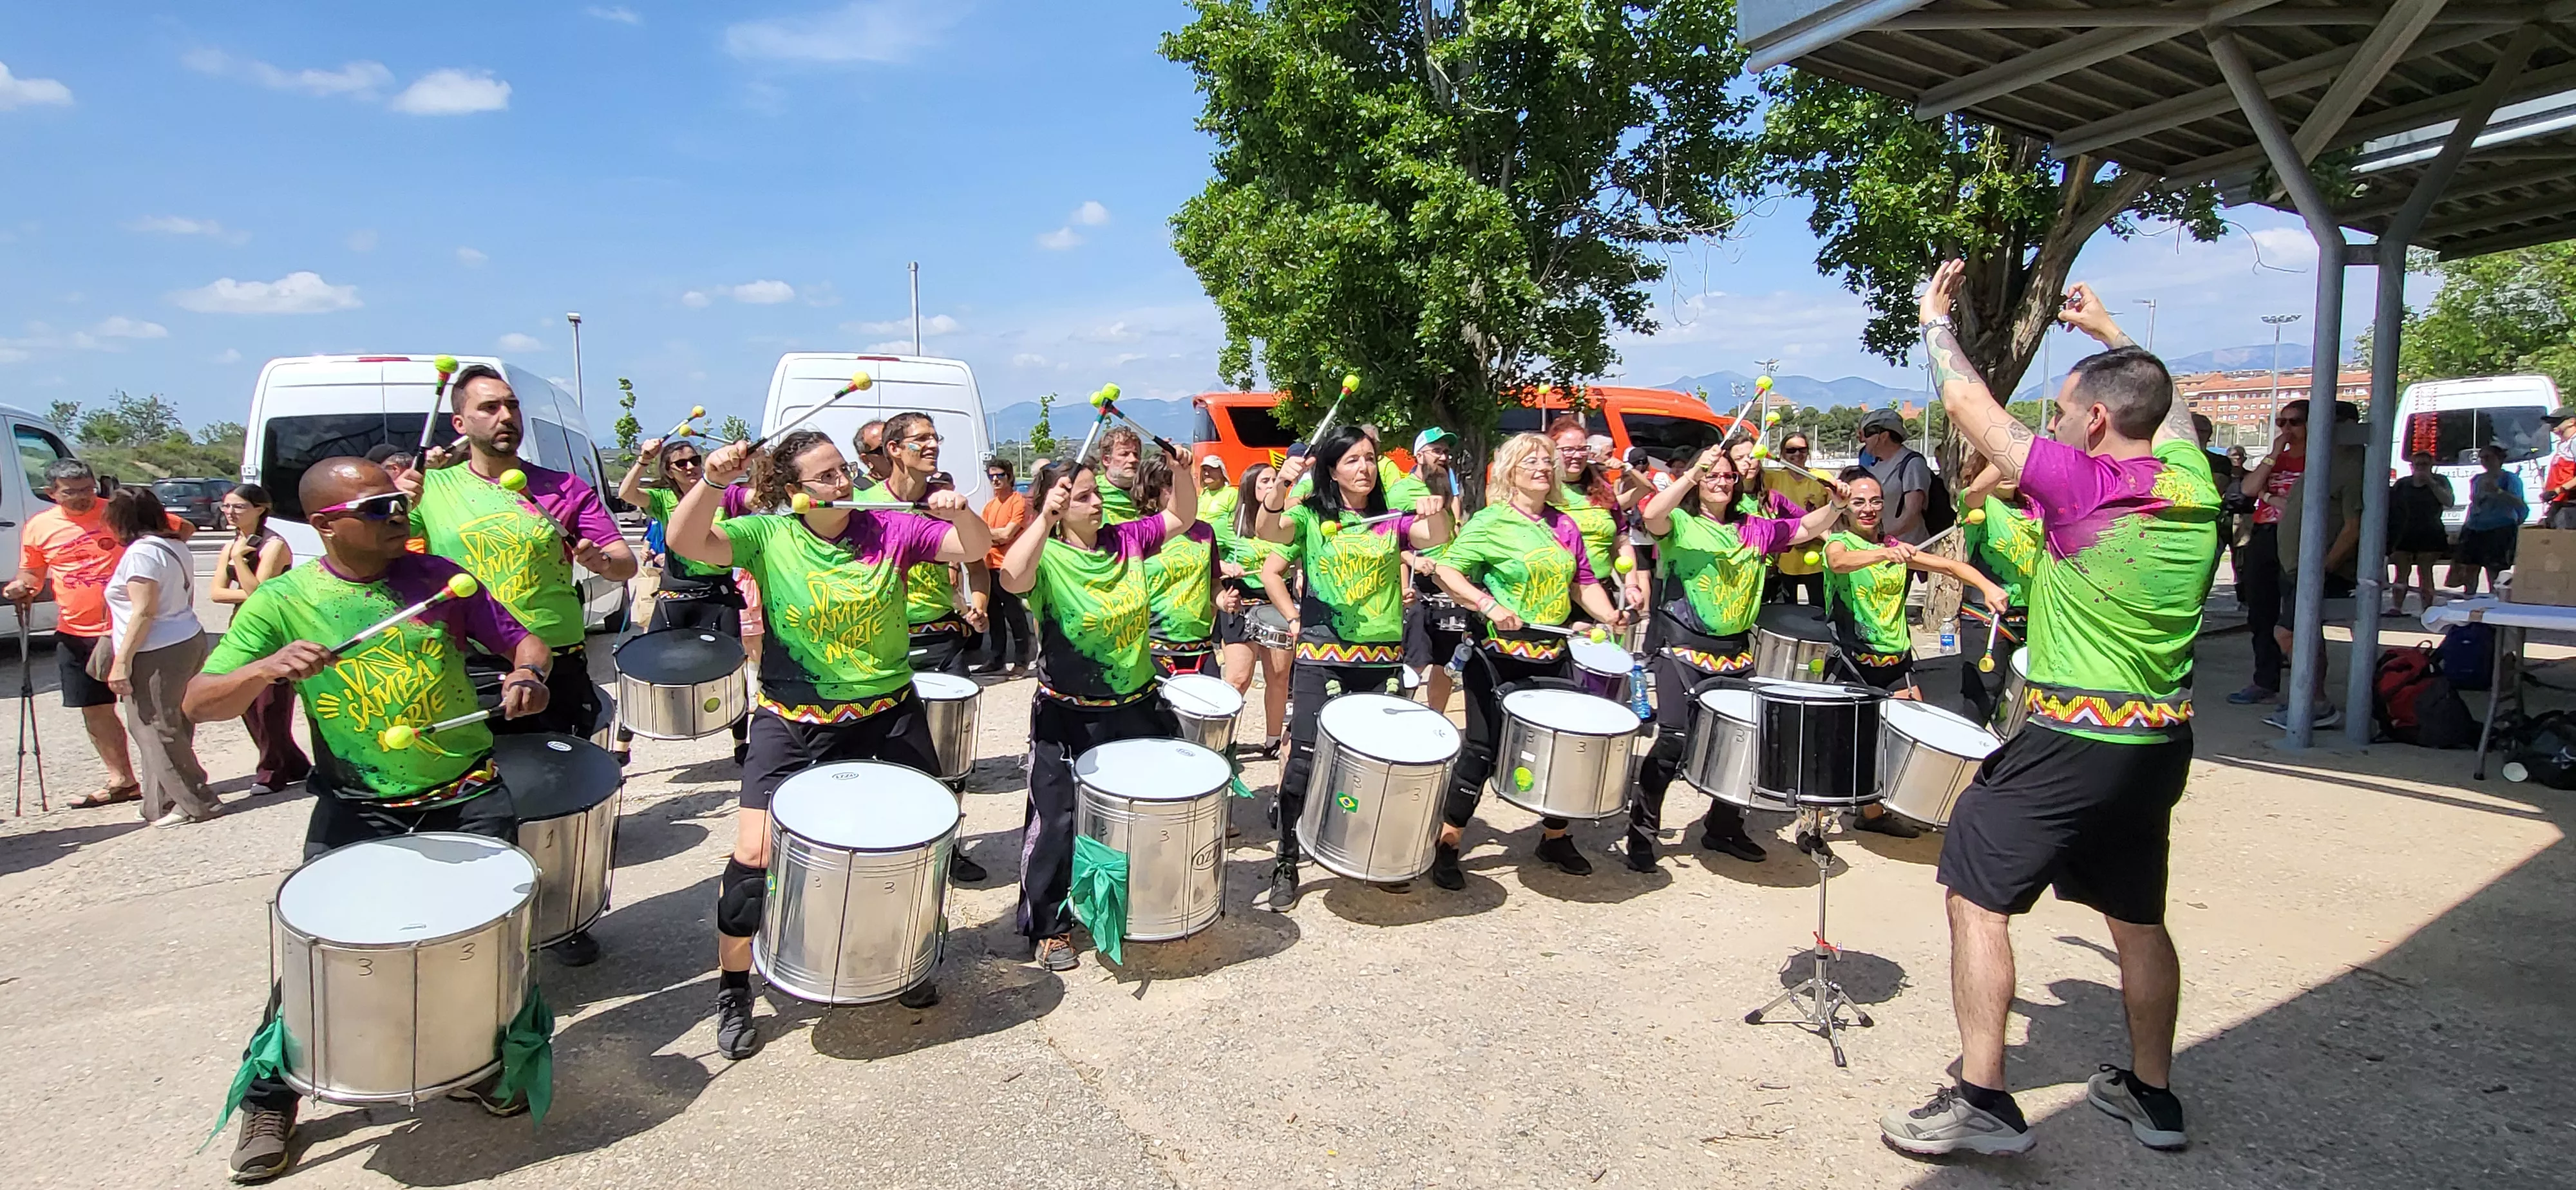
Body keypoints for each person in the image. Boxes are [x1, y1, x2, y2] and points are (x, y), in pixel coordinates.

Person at [1879, 267, 2217, 1159]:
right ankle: (2154, 1094)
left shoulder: (2082, 485)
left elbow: (1971, 406)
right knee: (2138, 915)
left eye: (2065, 412)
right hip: (2157, 745)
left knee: (1973, 896)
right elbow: (2167, 410)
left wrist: (1933, 324)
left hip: (2070, 736)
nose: (2058, 424)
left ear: (2097, 423)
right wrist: (2111, 335)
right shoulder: (2195, 484)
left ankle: (1983, 1100)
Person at [186, 456, 556, 1180]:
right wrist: (264, 670)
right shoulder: (283, 601)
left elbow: (523, 639)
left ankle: (477, 1064)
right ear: (327, 524)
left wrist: (526, 674)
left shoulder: (438, 578)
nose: (399, 516)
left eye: (399, 504)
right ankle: (273, 1096)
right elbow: (199, 700)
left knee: (479, 950)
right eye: (379, 507)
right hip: (358, 804)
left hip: (465, 792)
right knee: (318, 957)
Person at [666, 428, 990, 1059]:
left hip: (887, 715)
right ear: (793, 491)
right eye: (825, 477)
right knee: (753, 859)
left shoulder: (888, 528)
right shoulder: (767, 534)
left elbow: (971, 546)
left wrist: (963, 514)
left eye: (843, 470)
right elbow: (685, 541)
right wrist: (710, 482)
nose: (842, 483)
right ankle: (734, 986)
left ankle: (905, 960)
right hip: (793, 719)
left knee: (914, 850)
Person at [996, 446, 1196, 970]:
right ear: (1059, 505)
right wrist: (1042, 518)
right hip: (1068, 713)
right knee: (1057, 823)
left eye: (1096, 494)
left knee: (1142, 812)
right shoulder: (1046, 556)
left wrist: (1181, 470)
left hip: (1135, 704)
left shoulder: (1126, 540)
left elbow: (1182, 516)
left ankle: (1135, 903)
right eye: (1083, 497)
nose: (1097, 504)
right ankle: (1050, 927)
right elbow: (1011, 578)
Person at [1255, 425, 1451, 909]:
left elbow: (1436, 536)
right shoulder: (1310, 514)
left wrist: (1436, 505)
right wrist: (1281, 485)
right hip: (1322, 656)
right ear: (1332, 470)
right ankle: (1287, 857)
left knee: (1380, 765)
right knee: (1303, 759)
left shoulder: (1391, 518)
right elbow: (1267, 530)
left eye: (1369, 459)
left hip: (1381, 657)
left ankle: (1372, 852)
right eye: (1352, 461)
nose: (1363, 468)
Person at [1625, 444, 1842, 871]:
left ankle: (1723, 827)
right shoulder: (1681, 523)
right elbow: (1651, 517)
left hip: (1735, 651)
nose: (1721, 482)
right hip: (1681, 647)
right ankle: (1642, 832)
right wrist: (1691, 474)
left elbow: (1801, 531)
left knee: (1741, 743)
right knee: (1673, 741)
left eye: (1726, 476)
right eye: (1712, 476)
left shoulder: (1755, 528)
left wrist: (1837, 504)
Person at [1428, 433, 1626, 887]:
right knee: (1483, 748)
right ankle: (1448, 841)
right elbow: (1447, 570)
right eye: (1532, 462)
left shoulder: (1565, 524)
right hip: (1496, 654)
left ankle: (1554, 836)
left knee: (1563, 745)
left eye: (1548, 462)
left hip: (1551, 654)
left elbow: (1584, 582)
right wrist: (1488, 605)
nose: (1543, 468)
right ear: (1510, 471)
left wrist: (1610, 614)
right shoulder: (1490, 522)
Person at [402, 364, 637, 742]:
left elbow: (625, 565)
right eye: (490, 408)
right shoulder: (429, 489)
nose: (506, 417)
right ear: (459, 424)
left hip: (556, 659)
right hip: (468, 660)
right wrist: (394, 505)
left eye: (512, 406)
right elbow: (386, 559)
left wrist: (603, 562)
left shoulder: (564, 488)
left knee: (565, 783)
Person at [1821, 468, 2006, 839]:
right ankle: (1815, 819)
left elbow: (1951, 565)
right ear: (1846, 508)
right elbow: (1840, 563)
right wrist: (1885, 554)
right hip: (1852, 661)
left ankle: (1873, 813)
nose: (1868, 509)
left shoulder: (1896, 547)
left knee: (1897, 738)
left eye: (1875, 501)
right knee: (1838, 743)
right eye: (1859, 502)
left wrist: (1986, 586)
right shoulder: (1838, 543)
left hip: (1897, 660)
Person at [5, 458, 194, 809]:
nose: (82, 498)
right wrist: (21, 588)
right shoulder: (39, 526)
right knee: (94, 708)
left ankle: (174, 782)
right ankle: (122, 780)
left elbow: (181, 529)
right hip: (74, 630)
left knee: (154, 712)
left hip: (128, 629)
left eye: (87, 489)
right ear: (51, 494)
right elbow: (31, 573)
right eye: (71, 493)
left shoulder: (120, 512)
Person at [614, 433, 753, 764]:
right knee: (647, 667)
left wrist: (758, 463)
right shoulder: (663, 499)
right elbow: (626, 493)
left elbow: (757, 498)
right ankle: (622, 745)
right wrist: (643, 459)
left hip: (719, 595)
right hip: (676, 594)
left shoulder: (725, 495)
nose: (690, 467)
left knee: (732, 669)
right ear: (669, 471)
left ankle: (740, 743)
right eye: (681, 463)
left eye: (695, 460)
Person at [101, 487, 217, 827]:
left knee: (154, 728)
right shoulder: (174, 545)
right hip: (185, 638)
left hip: (157, 648)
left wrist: (121, 662)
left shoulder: (141, 554)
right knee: (172, 724)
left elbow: (144, 611)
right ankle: (160, 799)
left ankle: (196, 800)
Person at [2264, 399, 2365, 731]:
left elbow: (2354, 525)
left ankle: (2315, 701)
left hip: (2319, 570)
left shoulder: (2352, 466)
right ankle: (2309, 699)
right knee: (2304, 633)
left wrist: (2324, 567)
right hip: (2297, 567)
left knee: (2288, 632)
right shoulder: (2323, 461)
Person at [211, 483, 310, 793]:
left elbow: (260, 593)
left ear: (260, 509)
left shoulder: (274, 546)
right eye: (226, 507)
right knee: (245, 701)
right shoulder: (231, 545)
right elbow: (215, 592)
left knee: (270, 705)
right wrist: (238, 565)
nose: (230, 513)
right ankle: (294, 764)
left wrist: (241, 562)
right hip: (241, 629)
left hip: (274, 632)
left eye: (239, 507)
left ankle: (271, 771)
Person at [879, 413, 989, 677]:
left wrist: (979, 607)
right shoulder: (866, 504)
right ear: (895, 449)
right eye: (921, 439)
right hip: (884, 635)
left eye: (935, 438)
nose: (934, 445)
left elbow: (977, 563)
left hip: (941, 633)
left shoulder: (946, 505)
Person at [1955, 455, 2043, 725]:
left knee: (2026, 706)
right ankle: (1967, 763)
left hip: (2035, 615)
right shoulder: (1977, 505)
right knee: (1983, 697)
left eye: (2012, 467)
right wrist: (2008, 453)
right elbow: (1977, 491)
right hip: (1987, 614)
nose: (2006, 473)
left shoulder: (2038, 508)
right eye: (1995, 467)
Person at [2229, 399, 2307, 705]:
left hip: (2297, 537)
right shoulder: (2279, 460)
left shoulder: (2318, 459)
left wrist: (2270, 497)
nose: (2288, 429)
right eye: (2281, 422)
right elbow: (2248, 489)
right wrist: (2274, 453)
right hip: (2265, 533)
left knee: (2293, 616)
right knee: (2261, 611)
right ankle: (2265, 680)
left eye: (2295, 422)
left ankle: (2305, 688)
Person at [1215, 462, 1292, 759]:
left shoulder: (1284, 523)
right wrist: (1224, 566)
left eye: (1275, 481)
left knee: (1278, 678)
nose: (1272, 486)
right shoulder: (1227, 526)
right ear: (1249, 487)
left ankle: (1272, 740)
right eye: (1265, 482)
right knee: (1238, 678)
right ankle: (1223, 743)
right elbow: (1205, 554)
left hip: (1275, 604)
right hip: (1240, 603)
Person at [1391, 428, 1465, 710]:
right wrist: (1414, 561)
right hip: (1417, 583)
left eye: (1446, 451)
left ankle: (1436, 721)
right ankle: (1400, 718)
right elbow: (1386, 538)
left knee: (1446, 662)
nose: (1444, 457)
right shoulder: (1400, 491)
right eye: (1437, 451)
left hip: (1447, 581)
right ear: (1419, 454)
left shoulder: (1446, 488)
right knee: (1415, 661)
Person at [1548, 417, 1645, 616]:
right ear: (1552, 452)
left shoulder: (1603, 490)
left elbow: (1622, 541)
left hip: (1599, 592)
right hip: (1555, 594)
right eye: (1568, 450)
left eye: (1582, 449)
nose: (1577, 455)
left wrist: (1632, 585)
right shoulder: (1544, 490)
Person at [1139, 453, 1220, 677]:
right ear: (1154, 490)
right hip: (1152, 648)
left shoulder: (1205, 532)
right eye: (1173, 485)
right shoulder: (1139, 534)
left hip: (1201, 647)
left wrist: (1223, 599)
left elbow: (1213, 584)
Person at [976, 458, 1035, 675]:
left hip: (1008, 567)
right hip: (989, 566)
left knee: (1015, 614)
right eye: (991, 476)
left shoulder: (1017, 501)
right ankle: (996, 659)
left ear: (1009, 476)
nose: (995, 480)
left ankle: (1021, 662)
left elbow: (1008, 534)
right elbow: (984, 536)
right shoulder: (989, 507)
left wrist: (993, 536)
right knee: (994, 616)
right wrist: (995, 537)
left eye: (1000, 475)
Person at [1762, 433, 1832, 606]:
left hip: (1816, 557)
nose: (1797, 454)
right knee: (1786, 613)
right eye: (1791, 450)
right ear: (1782, 454)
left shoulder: (1822, 478)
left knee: (1819, 610)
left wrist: (1813, 537)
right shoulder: (1772, 478)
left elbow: (1834, 515)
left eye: (1802, 450)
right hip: (1784, 560)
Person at [2387, 450, 2455, 617]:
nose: (2420, 468)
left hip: (2430, 531)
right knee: (2401, 571)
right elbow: (2391, 506)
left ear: (2432, 466)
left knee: (2425, 570)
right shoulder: (2403, 484)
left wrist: (2431, 483)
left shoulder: (2440, 481)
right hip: (2405, 532)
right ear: (2412, 466)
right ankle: (2397, 607)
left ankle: (2427, 607)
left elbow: (2449, 502)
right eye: (2417, 465)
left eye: (2425, 464)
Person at [2456, 440, 2525, 597]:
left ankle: (2496, 602)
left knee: (2494, 569)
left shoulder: (2509, 478)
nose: (2485, 461)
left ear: (2499, 459)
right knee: (2470, 568)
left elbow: (2519, 503)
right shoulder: (2477, 479)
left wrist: (2498, 491)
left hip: (2500, 528)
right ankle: (2469, 601)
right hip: (2475, 527)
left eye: (2488, 457)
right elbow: (2474, 503)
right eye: (2482, 458)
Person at [1857, 408, 1933, 545]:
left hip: (1910, 551)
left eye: (1868, 433)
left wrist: (1883, 537)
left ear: (1884, 436)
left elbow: (1912, 515)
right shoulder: (1873, 467)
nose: (1863, 440)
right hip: (1881, 550)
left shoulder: (1912, 464)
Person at [1095, 427, 1148, 524]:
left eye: (1136, 454)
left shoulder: (1150, 492)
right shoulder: (1090, 490)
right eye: (1124, 454)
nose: (1133, 460)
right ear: (1106, 460)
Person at [2542, 411, 2576, 529]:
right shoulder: (2563, 444)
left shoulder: (2575, 442)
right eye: (2551, 422)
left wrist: (2559, 490)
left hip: (2570, 504)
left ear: (2572, 422)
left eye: (2557, 421)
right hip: (2560, 503)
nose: (2552, 425)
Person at [1196, 455, 1238, 527]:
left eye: (1212, 470)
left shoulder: (1232, 494)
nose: (1207, 474)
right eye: (1205, 470)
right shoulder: (1203, 493)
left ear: (1222, 472)